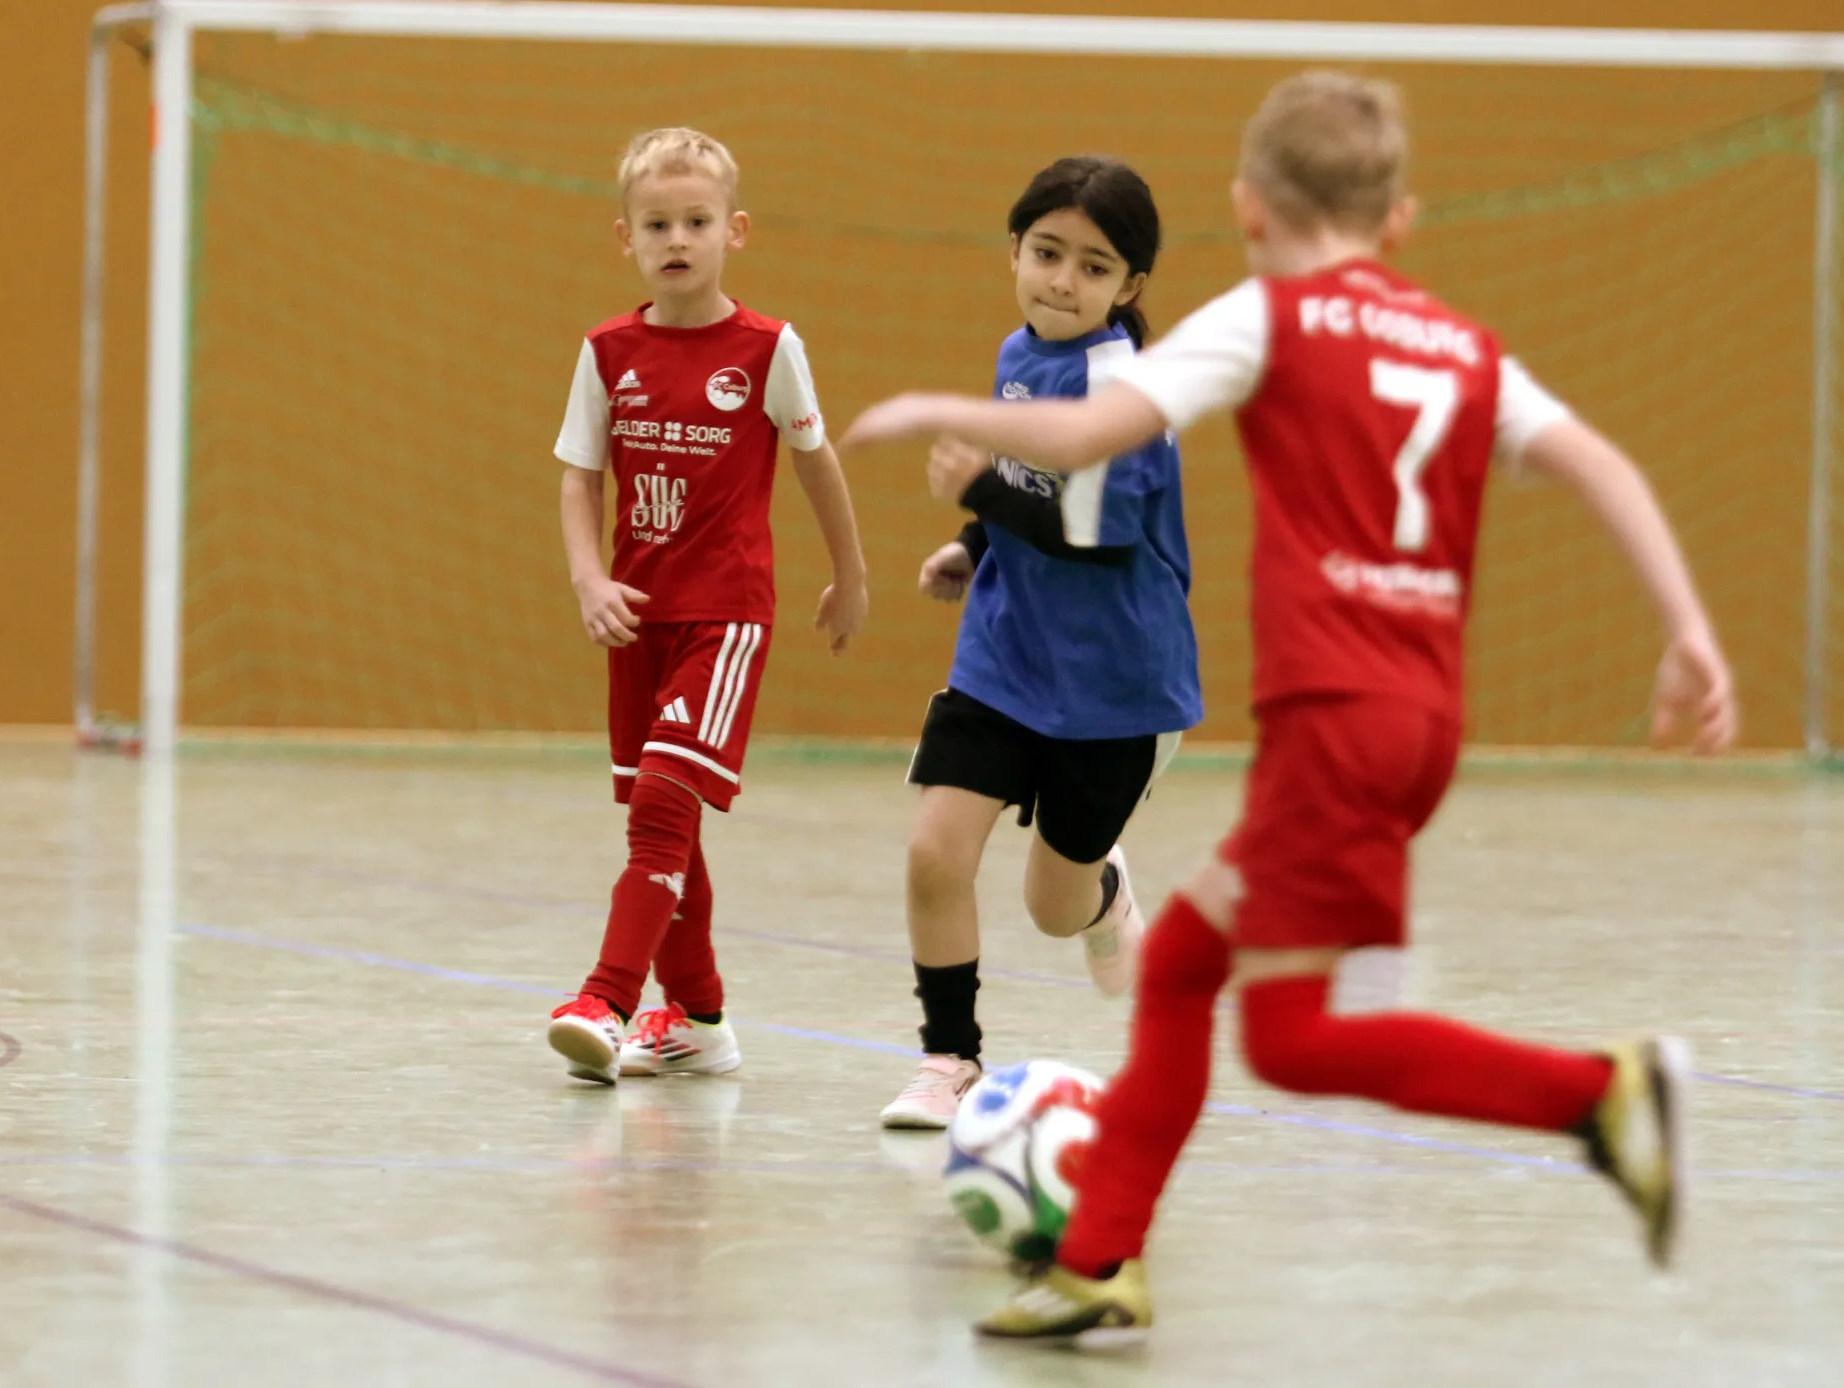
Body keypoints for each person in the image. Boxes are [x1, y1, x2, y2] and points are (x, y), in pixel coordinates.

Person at [842, 71, 1738, 1340]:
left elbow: (1091, 436)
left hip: (1335, 718)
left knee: (1291, 1038)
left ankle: (1599, 1093)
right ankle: (1099, 1257)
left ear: (1249, 209)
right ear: (1399, 220)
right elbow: (1599, 463)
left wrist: (942, 420)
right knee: (1180, 969)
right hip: (1416, 722)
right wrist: (1687, 629)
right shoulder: (1459, 344)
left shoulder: (1270, 316)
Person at [880, 157, 1202, 1130]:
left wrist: (978, 489)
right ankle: (949, 1058)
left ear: (1128, 286)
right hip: (1003, 654)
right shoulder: (1017, 354)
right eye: (1046, 253)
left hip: (1115, 686)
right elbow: (1030, 481)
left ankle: (1102, 894)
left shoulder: (1122, 391)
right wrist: (974, 542)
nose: (1062, 281)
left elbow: (1092, 530)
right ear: (1014, 251)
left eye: (1092, 267)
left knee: (1052, 909)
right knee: (934, 852)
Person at [548, 127, 868, 1084]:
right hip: (637, 619)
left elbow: (816, 461)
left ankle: (606, 999)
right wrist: (589, 579)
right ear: (626, 238)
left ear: (735, 230)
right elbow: (579, 478)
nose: (677, 239)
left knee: (660, 802)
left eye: (696, 221)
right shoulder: (607, 351)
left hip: (724, 618)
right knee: (668, 823)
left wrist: (850, 575)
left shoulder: (768, 349)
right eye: (656, 224)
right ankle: (700, 1020)